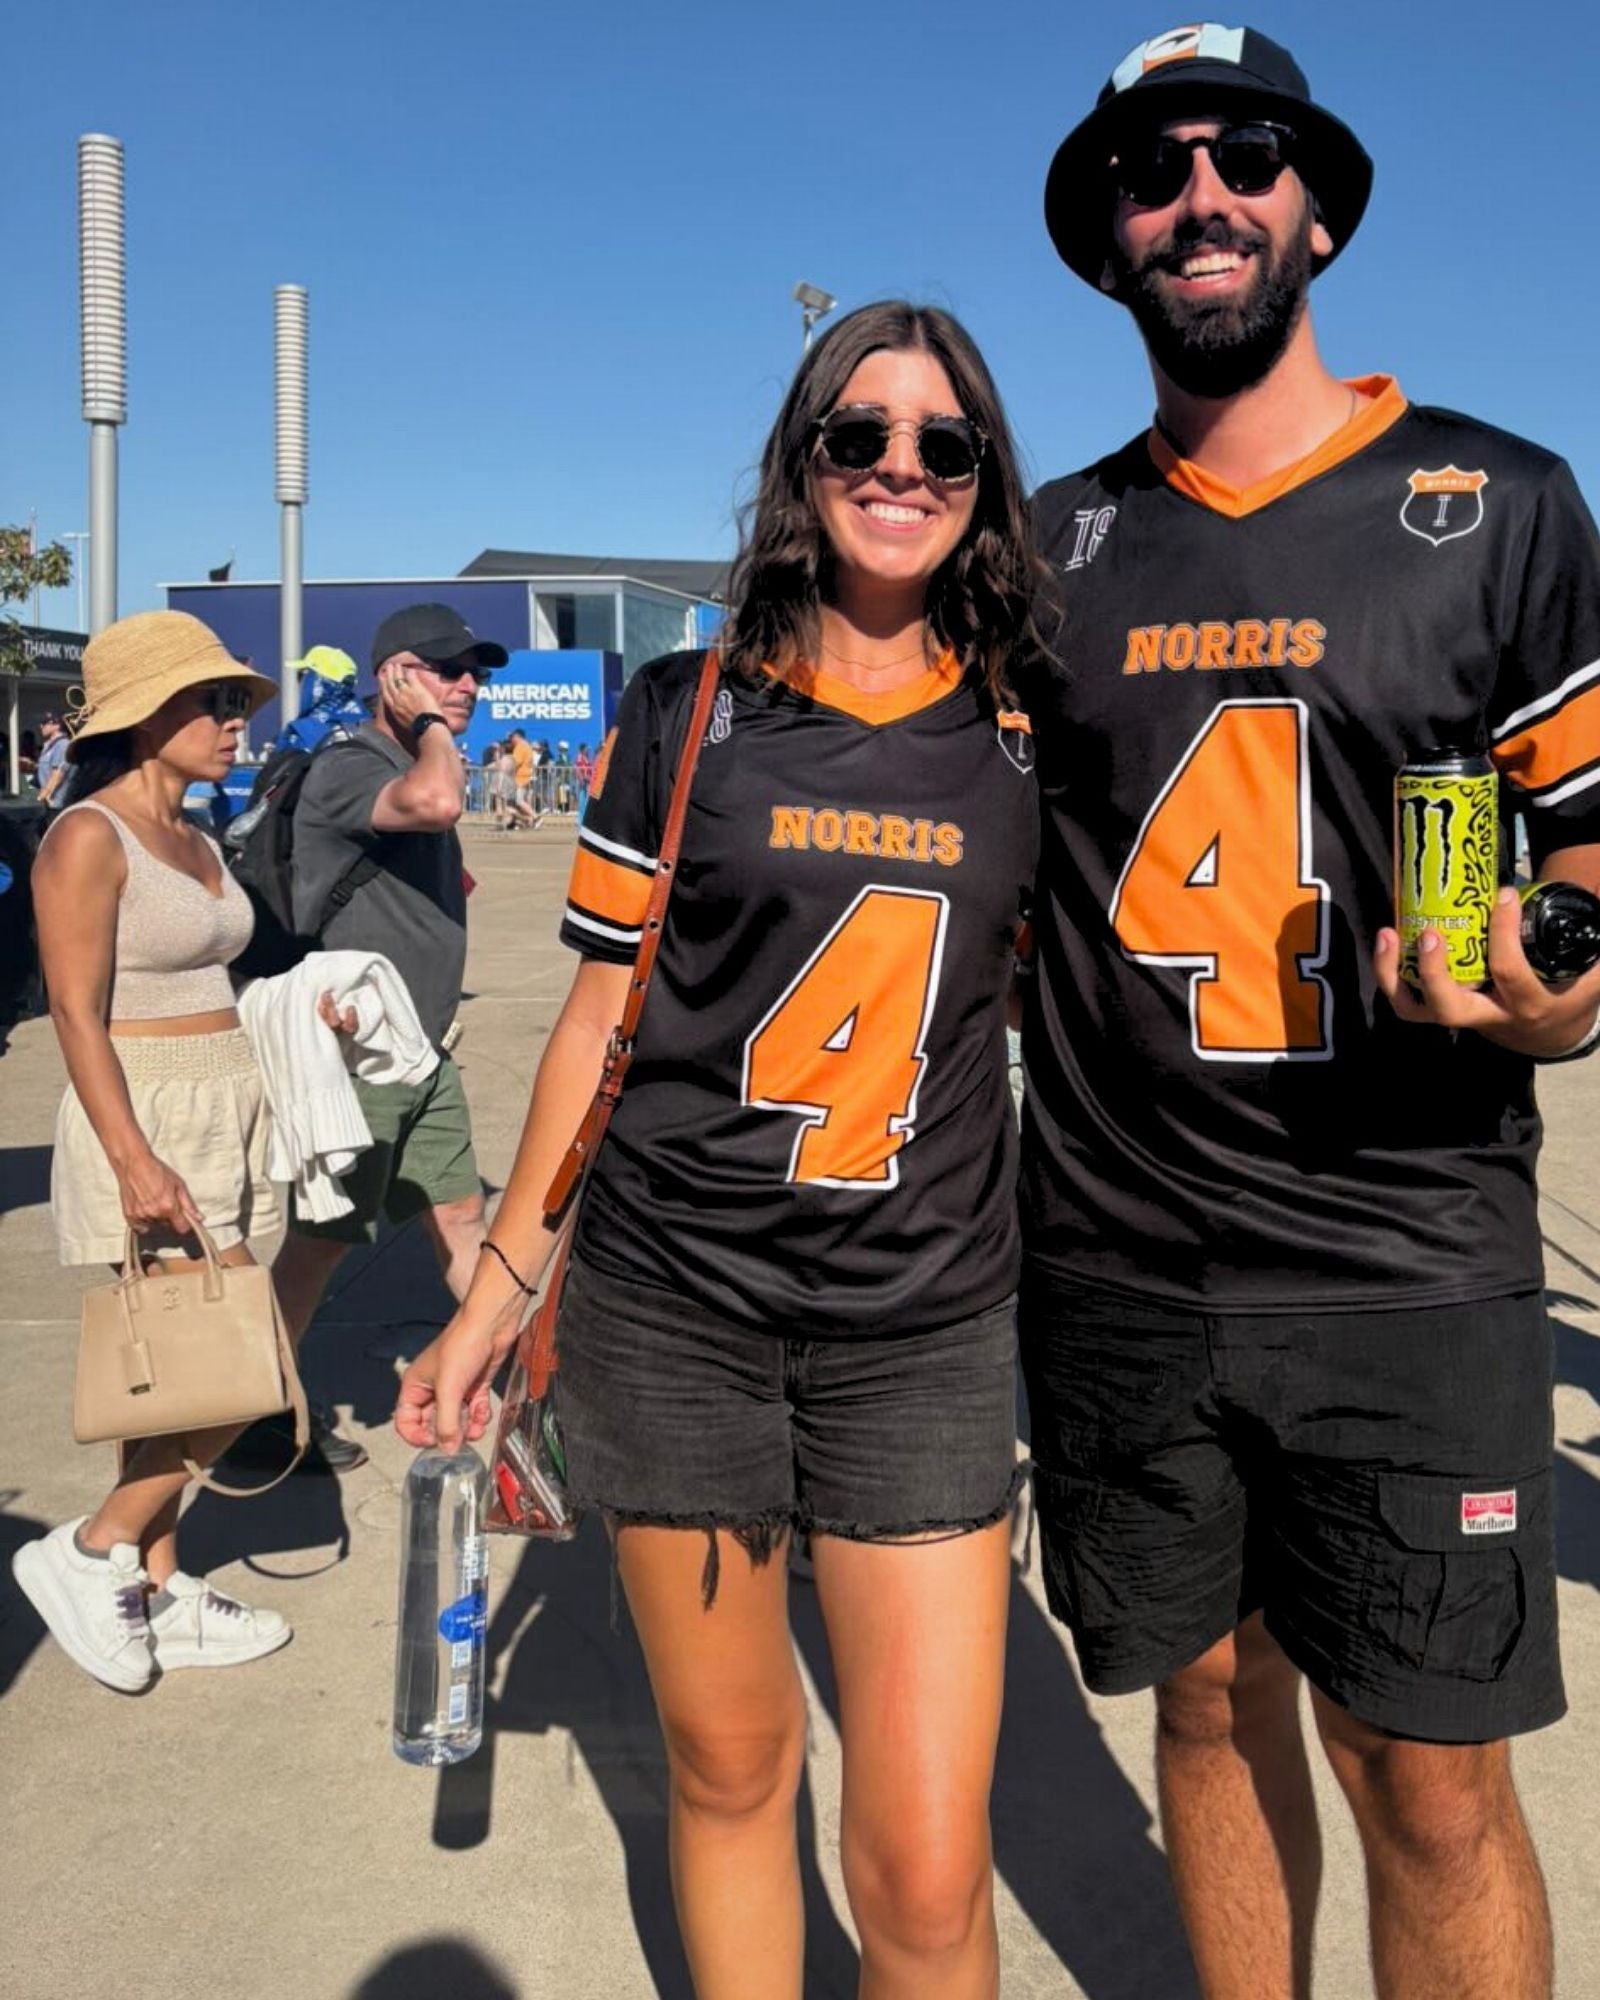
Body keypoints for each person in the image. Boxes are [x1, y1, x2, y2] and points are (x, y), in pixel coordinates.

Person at [1021, 27, 1600, 1998]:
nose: (1197, 194)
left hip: (1407, 1250)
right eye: (1152, 168)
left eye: (1243, 155)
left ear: (1314, 205)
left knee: (1430, 1777)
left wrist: (1546, 982)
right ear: (1109, 234)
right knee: (1207, 1715)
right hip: (1124, 1264)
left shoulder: (1494, 501)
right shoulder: (1044, 548)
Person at [396, 302, 1045, 1999]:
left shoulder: (1033, 738)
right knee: (736, 1768)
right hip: (673, 1311)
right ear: (804, 462)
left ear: (983, 480)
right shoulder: (691, 712)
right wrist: (493, 1293)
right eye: (861, 435)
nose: (900, 469)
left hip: (922, 1328)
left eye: (942, 443)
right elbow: (601, 1022)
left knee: (920, 1857)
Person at [12, 611, 300, 1686]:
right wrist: (134, 1156)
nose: (232, 723)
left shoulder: (199, 833)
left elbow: (215, 972)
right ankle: (91, 1549)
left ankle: (157, 1586)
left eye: (234, 704)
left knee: (184, 1376)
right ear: (142, 716)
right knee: (240, 1362)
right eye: (208, 703)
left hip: (230, 1101)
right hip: (146, 1110)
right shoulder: (88, 834)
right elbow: (77, 1011)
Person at [247, 604, 510, 1476]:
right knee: (321, 1243)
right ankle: (258, 1404)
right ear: (393, 674)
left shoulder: (404, 754)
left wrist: (428, 723)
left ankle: (526, 1387)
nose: (467, 685)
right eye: (446, 670)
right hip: (359, 1057)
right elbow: (434, 804)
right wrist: (433, 724)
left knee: (463, 1215)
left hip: (419, 1047)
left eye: (474, 672)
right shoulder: (352, 765)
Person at [33, 714, 71, 809]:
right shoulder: (48, 745)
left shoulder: (62, 745)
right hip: (48, 802)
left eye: (44, 723)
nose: (41, 726)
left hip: (57, 803)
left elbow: (58, 774)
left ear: (57, 725)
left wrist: (42, 796)